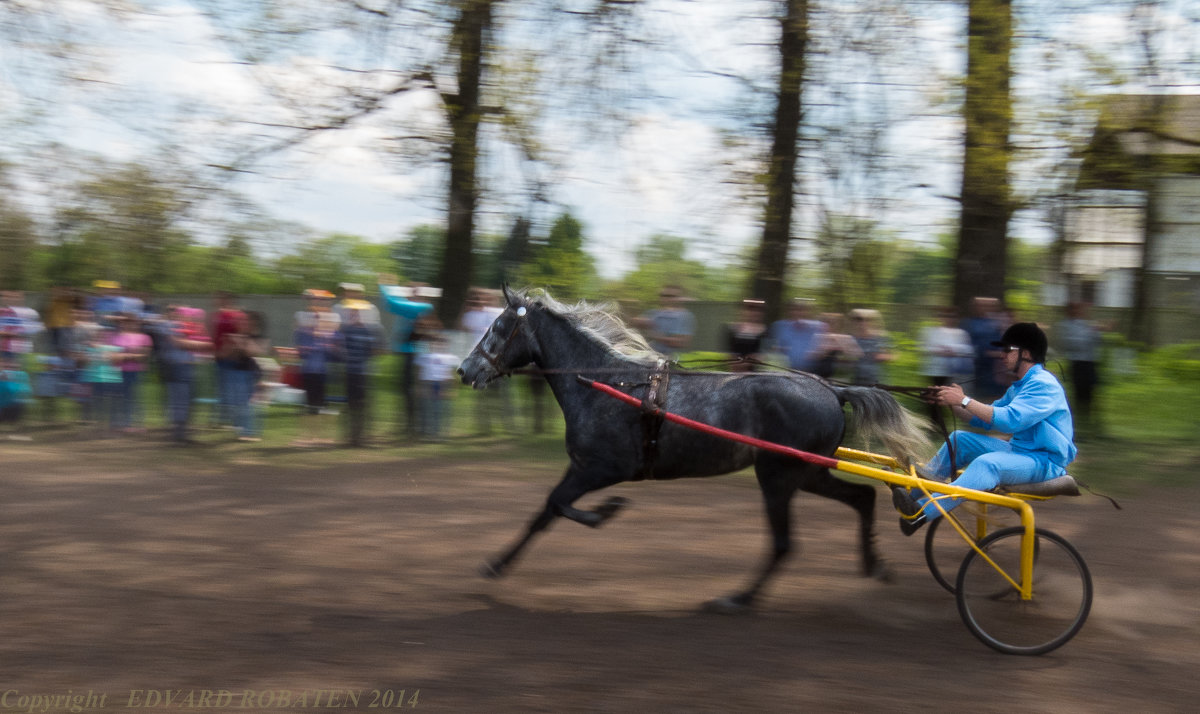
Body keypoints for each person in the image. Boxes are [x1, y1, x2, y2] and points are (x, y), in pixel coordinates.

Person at [893, 322, 1076, 535]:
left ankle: (920, 513)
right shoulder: (1020, 385)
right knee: (959, 439)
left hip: (1045, 462)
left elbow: (1010, 421)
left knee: (987, 464)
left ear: (1025, 354)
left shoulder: (1043, 384)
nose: (1002, 355)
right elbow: (982, 418)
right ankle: (910, 493)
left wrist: (963, 400)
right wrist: (951, 401)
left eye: (1007, 350)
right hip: (1021, 453)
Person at [378, 274, 435, 440]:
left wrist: (383, 284)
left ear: (421, 294)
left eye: (413, 291)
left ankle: (415, 427)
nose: (410, 294)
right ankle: (411, 425)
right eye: (410, 291)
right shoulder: (416, 307)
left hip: (415, 354)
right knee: (408, 390)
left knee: (413, 390)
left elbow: (389, 303)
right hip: (412, 353)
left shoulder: (420, 307)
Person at [292, 305, 341, 447]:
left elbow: (335, 355)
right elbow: (301, 353)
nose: (317, 322)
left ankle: (322, 436)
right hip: (308, 373)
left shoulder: (329, 337)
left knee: (321, 406)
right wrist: (304, 350)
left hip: (322, 374)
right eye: (315, 319)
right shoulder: (306, 335)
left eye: (320, 319)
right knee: (309, 405)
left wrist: (328, 346)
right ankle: (308, 436)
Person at [461, 288, 507, 434]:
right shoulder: (471, 315)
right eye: (478, 299)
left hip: (495, 359)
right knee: (483, 394)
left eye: (482, 298)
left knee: (501, 393)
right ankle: (484, 426)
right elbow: (462, 327)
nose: (480, 301)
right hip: (479, 360)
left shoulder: (492, 313)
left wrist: (492, 301)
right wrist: (466, 307)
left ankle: (505, 424)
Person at [1057, 301, 1105, 439]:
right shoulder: (1065, 325)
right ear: (1071, 311)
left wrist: (1097, 333)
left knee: (1091, 396)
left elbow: (1097, 342)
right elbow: (1072, 343)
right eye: (1077, 309)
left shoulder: (1085, 324)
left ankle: (1092, 429)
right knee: (1079, 397)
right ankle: (1075, 430)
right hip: (1077, 363)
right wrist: (1091, 333)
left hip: (1090, 362)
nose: (1081, 312)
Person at [919, 306, 975, 420]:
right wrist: (938, 350)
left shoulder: (960, 333)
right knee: (932, 398)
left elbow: (968, 350)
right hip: (933, 371)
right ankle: (933, 423)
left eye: (952, 316)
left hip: (952, 371)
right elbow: (923, 347)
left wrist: (954, 350)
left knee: (948, 398)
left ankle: (949, 421)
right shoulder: (930, 331)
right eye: (945, 316)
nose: (948, 319)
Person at [338, 301, 380, 447]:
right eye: (353, 313)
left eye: (357, 313)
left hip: (363, 372)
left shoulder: (368, 331)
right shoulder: (346, 330)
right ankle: (349, 438)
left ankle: (361, 438)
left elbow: (371, 351)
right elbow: (340, 348)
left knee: (362, 406)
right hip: (350, 371)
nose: (355, 315)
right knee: (350, 405)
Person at [222, 311, 269, 442]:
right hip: (234, 372)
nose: (244, 324)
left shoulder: (256, 338)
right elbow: (225, 354)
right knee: (235, 404)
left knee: (248, 404)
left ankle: (249, 432)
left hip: (250, 373)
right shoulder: (233, 337)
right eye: (241, 322)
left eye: (246, 322)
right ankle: (241, 428)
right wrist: (233, 344)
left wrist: (243, 341)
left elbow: (255, 353)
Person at [111, 313, 153, 432]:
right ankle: (122, 423)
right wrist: (133, 354)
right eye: (126, 321)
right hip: (120, 371)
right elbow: (113, 355)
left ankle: (138, 423)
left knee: (136, 397)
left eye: (133, 321)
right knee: (121, 397)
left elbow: (144, 356)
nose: (130, 324)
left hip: (137, 371)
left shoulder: (144, 337)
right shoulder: (117, 336)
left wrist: (125, 355)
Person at [414, 333, 460, 442]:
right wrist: (418, 386)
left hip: (443, 384)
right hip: (428, 383)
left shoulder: (451, 357)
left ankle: (442, 435)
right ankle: (429, 434)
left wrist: (452, 389)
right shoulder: (424, 357)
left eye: (442, 342)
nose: (439, 345)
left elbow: (453, 375)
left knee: (441, 411)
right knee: (428, 409)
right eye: (436, 342)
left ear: (446, 345)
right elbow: (419, 372)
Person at [210, 291, 246, 427]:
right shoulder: (217, 315)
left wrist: (227, 351)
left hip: (232, 356)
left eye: (219, 299)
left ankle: (235, 420)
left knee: (233, 389)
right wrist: (215, 351)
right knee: (222, 388)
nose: (216, 301)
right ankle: (223, 418)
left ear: (227, 300)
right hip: (219, 356)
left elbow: (237, 335)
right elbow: (215, 335)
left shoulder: (236, 315)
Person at [961, 296, 1004, 401]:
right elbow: (967, 346)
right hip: (977, 369)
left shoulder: (998, 323)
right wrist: (986, 353)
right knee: (978, 398)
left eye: (990, 306)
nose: (986, 308)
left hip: (996, 370)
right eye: (983, 305)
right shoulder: (969, 324)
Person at [769, 298, 827, 372]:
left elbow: (822, 352)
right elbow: (772, 350)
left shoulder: (817, 327)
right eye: (794, 309)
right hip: (784, 371)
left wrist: (818, 353)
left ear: (808, 312)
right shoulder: (779, 326)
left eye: (802, 310)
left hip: (810, 372)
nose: (798, 313)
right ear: (789, 311)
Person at [638, 285, 695, 358]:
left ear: (680, 298)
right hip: (652, 357)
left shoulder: (685, 316)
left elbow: (680, 342)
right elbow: (635, 325)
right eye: (663, 295)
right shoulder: (654, 313)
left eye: (671, 296)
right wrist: (638, 323)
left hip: (674, 360)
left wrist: (654, 334)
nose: (666, 298)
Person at [847, 308, 894, 386]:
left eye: (867, 319)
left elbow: (892, 355)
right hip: (856, 379)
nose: (862, 322)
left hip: (877, 380)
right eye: (858, 319)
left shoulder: (881, 336)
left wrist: (882, 356)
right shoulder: (851, 337)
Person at [809, 312, 861, 381]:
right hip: (818, 376)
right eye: (827, 322)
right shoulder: (817, 336)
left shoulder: (846, 338)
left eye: (834, 322)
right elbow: (811, 356)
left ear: (839, 324)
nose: (830, 325)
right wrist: (825, 350)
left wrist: (842, 345)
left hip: (841, 377)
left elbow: (858, 354)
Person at [724, 299, 768, 371]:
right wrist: (737, 363)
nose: (752, 313)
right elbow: (729, 353)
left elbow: (762, 354)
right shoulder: (732, 329)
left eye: (757, 310)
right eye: (749, 309)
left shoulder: (764, 331)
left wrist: (749, 362)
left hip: (755, 373)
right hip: (735, 371)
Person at [0, 355, 33, 441]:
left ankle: (17, 433)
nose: (9, 368)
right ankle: (16, 433)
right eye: (6, 366)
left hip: (11, 402)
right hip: (5, 402)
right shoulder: (5, 374)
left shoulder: (18, 375)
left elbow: (21, 387)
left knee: (13, 418)